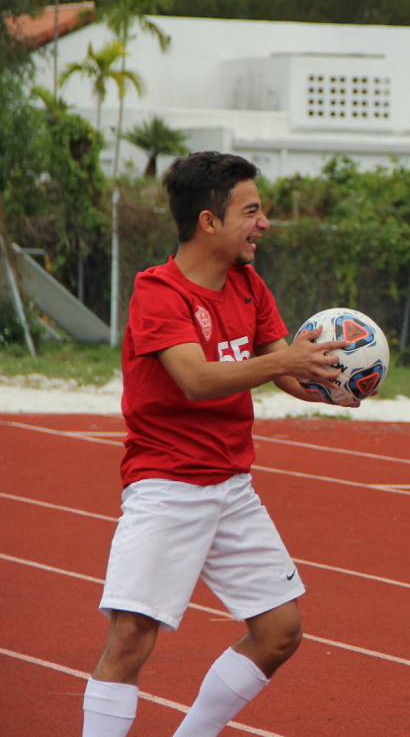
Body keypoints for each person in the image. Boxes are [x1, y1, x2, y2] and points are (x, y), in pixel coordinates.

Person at [82, 152, 351, 737]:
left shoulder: (249, 284)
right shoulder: (158, 293)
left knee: (280, 632)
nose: (264, 223)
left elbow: (282, 368)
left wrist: (331, 384)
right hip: (166, 487)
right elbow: (197, 380)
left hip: (230, 487)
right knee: (130, 640)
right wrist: (286, 360)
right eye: (251, 211)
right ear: (209, 221)